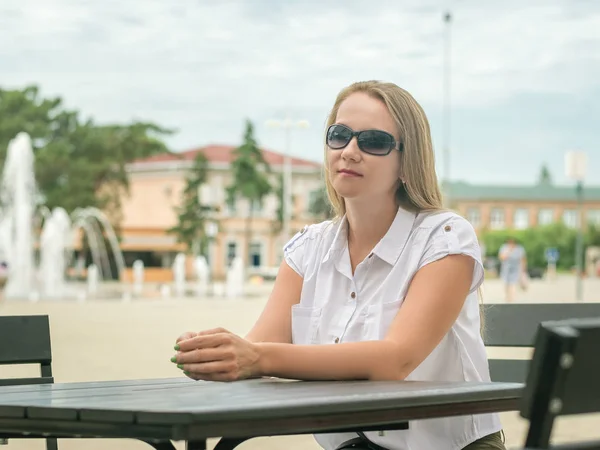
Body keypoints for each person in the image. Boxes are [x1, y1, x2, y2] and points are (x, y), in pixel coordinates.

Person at [172, 81, 505, 450]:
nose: (349, 151)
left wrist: (257, 357)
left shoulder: (444, 239)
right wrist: (215, 352)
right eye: (339, 135)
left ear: (407, 163)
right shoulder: (308, 249)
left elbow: (394, 360)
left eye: (373, 141)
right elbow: (258, 347)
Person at [498, 238, 527, 303]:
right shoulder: (504, 247)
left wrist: (523, 270)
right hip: (506, 270)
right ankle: (507, 298)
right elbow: (501, 257)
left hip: (516, 270)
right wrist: (508, 252)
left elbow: (523, 259)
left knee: (513, 285)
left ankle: (512, 300)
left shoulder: (519, 248)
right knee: (506, 284)